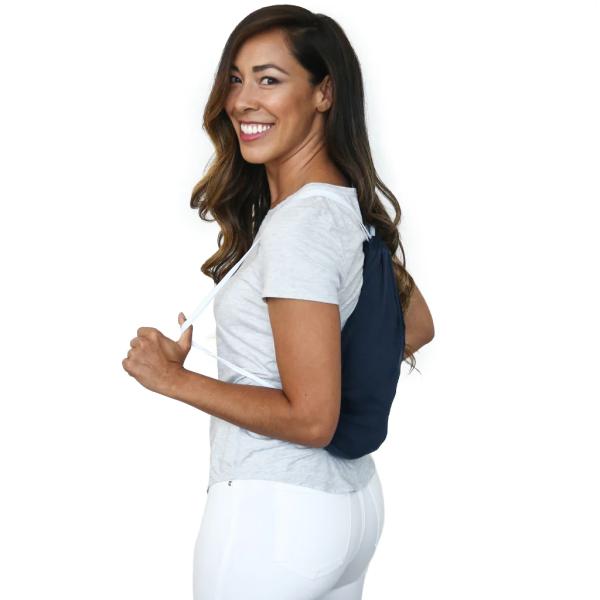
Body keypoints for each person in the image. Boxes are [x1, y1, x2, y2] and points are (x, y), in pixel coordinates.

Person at [151, 5, 433, 599]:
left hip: (273, 515)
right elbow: (415, 324)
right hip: (348, 507)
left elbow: (311, 419)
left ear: (324, 92)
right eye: (236, 79)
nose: (242, 101)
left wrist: (172, 379)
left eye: (269, 79)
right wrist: (320, 360)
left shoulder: (298, 228)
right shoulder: (344, 209)